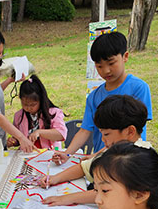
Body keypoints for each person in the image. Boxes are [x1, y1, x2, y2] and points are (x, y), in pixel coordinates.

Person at [53, 31, 152, 165]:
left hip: (129, 161)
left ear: (125, 57)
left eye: (111, 63)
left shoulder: (138, 88)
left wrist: (97, 155)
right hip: (102, 163)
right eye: (99, 66)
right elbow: (85, 130)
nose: (106, 71)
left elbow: (134, 135)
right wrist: (67, 153)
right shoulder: (94, 97)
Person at [42, 95, 149, 206]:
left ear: (130, 131)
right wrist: (54, 179)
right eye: (101, 134)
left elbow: (107, 193)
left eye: (106, 134)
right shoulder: (112, 151)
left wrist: (66, 198)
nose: (103, 140)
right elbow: (84, 167)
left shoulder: (137, 161)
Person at [6, 75, 68, 150]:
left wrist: (40, 132)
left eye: (33, 105)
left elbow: (61, 134)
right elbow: (18, 138)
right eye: (25, 104)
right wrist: (14, 141)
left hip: (49, 155)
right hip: (27, 155)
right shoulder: (19, 116)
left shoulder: (53, 113)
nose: (28, 108)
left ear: (41, 100)